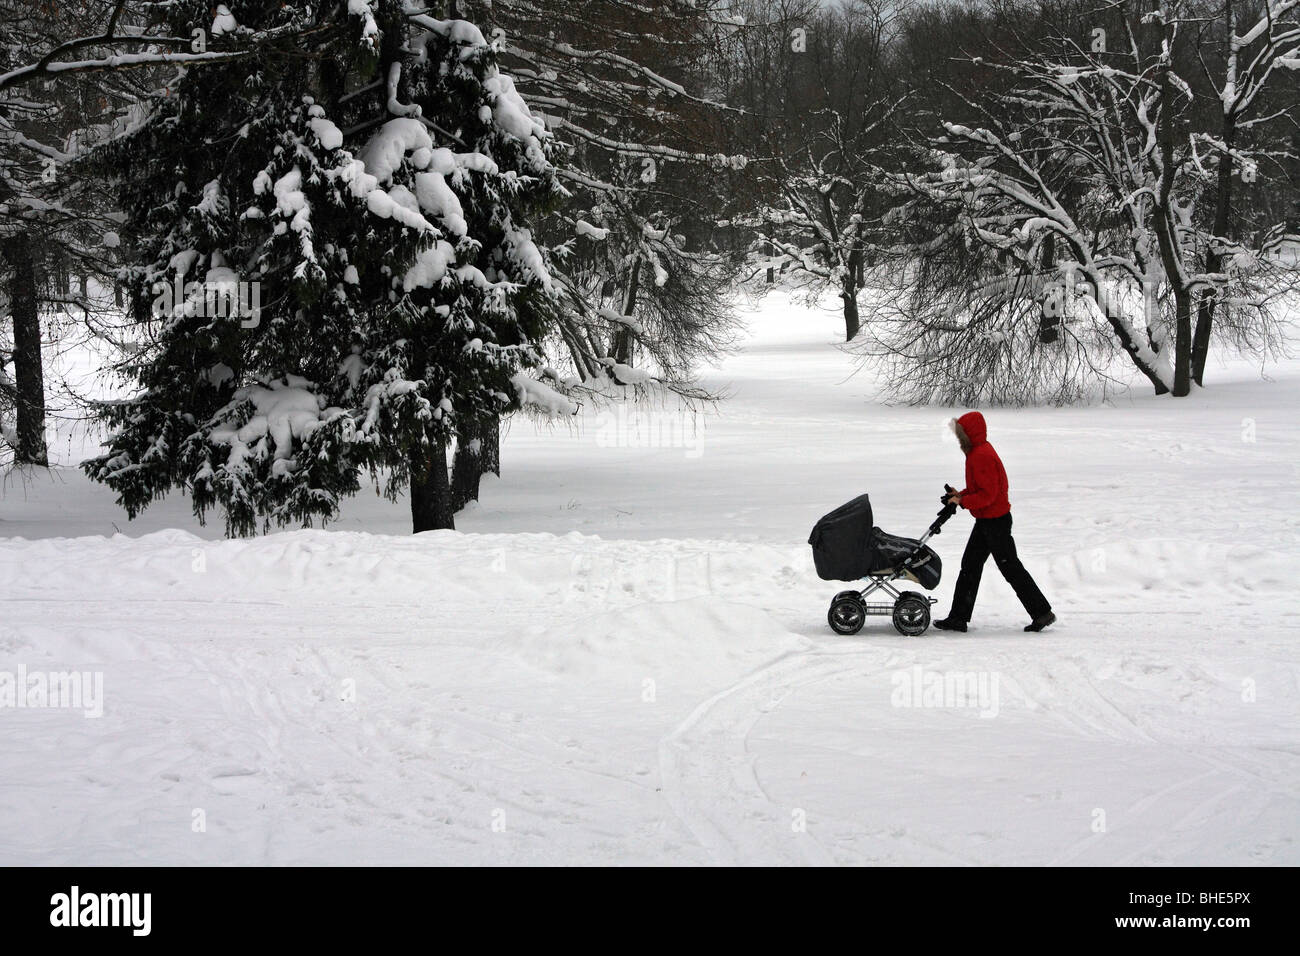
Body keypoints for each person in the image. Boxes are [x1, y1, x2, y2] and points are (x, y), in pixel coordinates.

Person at [933, 411, 1055, 633]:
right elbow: (979, 489)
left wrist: (962, 501)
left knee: (1010, 568)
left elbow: (987, 495)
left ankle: (1042, 613)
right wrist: (959, 494)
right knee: (970, 566)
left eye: (961, 435)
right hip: (987, 520)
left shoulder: (981, 456)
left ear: (970, 434)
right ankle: (958, 618)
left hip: (995, 522)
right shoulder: (977, 452)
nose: (959, 439)